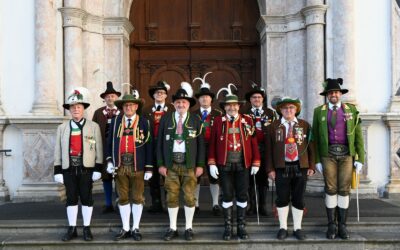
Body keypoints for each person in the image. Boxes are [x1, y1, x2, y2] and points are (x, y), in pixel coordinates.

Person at [312, 78, 364, 239]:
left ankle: (342, 225)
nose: (333, 94)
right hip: (328, 155)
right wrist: (317, 160)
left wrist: (360, 158)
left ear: (340, 94)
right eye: (330, 92)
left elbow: (358, 136)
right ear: (327, 95)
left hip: (347, 155)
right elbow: (314, 137)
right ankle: (331, 225)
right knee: (331, 188)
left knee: (344, 189)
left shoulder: (351, 110)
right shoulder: (319, 111)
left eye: (336, 92)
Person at [208, 84, 260, 240]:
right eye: (228, 105)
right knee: (227, 195)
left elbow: (253, 142)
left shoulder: (247, 120)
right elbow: (212, 143)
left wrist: (256, 162)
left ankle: (241, 226)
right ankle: (228, 227)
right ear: (225, 107)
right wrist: (211, 163)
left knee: (243, 195)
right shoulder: (218, 121)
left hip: (243, 164)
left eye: (234, 105)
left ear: (239, 106)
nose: (232, 108)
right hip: (225, 164)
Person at [157, 82, 205, 241]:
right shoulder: (165, 119)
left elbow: (201, 145)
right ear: (174, 103)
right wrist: (161, 164)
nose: (181, 104)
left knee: (190, 196)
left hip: (189, 165)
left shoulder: (195, 120)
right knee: (171, 196)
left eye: (184, 102)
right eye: (178, 102)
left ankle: (189, 228)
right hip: (171, 165)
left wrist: (199, 165)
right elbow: (159, 143)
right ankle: (172, 228)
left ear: (189, 104)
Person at [53, 87, 103, 241]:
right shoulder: (62, 128)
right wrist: (58, 171)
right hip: (69, 169)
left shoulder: (93, 126)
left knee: (87, 198)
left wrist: (98, 168)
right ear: (69, 110)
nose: (75, 109)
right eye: (73, 107)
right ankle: (72, 228)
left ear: (83, 109)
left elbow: (98, 148)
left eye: (78, 107)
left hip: (86, 169)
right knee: (71, 199)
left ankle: (87, 228)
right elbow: (57, 150)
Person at [106, 90, 153, 241]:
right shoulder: (114, 122)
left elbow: (149, 146)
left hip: (137, 165)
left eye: (131, 105)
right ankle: (125, 227)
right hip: (120, 166)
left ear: (136, 107)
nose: (128, 108)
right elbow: (109, 143)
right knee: (123, 197)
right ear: (122, 107)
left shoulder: (144, 122)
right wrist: (109, 161)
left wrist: (149, 167)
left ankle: (135, 227)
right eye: (126, 105)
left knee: (138, 197)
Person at [266, 97, 315, 240]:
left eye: (291, 108)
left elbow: (311, 147)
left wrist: (311, 165)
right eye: (285, 108)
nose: (288, 110)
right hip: (281, 167)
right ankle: (283, 228)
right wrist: (270, 169)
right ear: (280, 110)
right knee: (282, 197)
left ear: (296, 110)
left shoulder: (304, 125)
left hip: (300, 166)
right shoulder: (273, 126)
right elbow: (268, 150)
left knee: (298, 198)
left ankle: (297, 228)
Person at [242, 82, 277, 216]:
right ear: (250, 100)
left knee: (263, 179)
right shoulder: (244, 113)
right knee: (250, 179)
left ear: (263, 99)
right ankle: (252, 205)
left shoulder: (271, 113)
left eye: (259, 97)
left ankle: (262, 205)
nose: (256, 99)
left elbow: (274, 132)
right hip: (249, 150)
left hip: (266, 150)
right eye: (254, 97)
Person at [193, 72, 223, 215]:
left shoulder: (218, 114)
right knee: (195, 176)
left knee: (214, 177)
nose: (204, 99)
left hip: (214, 148)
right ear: (198, 100)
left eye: (207, 97)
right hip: (197, 148)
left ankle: (216, 204)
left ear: (211, 99)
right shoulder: (192, 115)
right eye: (202, 97)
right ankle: (196, 204)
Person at [142, 80, 174, 213]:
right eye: (157, 93)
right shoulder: (146, 110)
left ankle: (168, 202)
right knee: (153, 176)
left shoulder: (172, 109)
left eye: (162, 93)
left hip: (167, 147)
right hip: (151, 146)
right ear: (153, 95)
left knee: (167, 175)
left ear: (166, 95)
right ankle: (156, 202)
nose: (160, 95)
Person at [92, 81, 121, 213]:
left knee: (120, 176)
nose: (110, 98)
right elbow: (92, 132)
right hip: (103, 149)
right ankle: (108, 203)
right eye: (108, 96)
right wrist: (93, 148)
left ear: (116, 98)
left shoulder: (122, 112)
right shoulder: (98, 113)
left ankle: (121, 202)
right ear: (104, 99)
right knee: (106, 176)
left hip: (119, 149)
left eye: (113, 96)